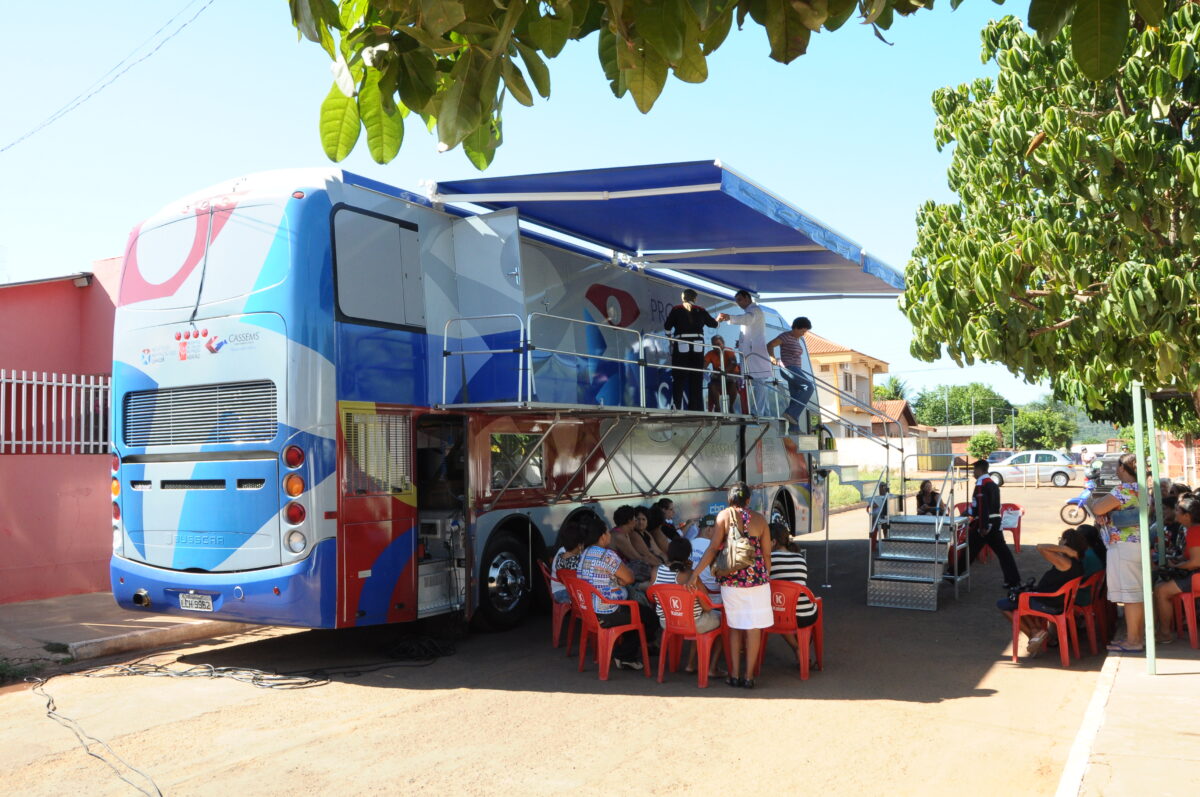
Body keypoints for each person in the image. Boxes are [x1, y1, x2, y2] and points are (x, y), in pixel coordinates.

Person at [690, 482, 772, 689]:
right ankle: (749, 676)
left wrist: (695, 574)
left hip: (731, 581)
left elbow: (711, 549)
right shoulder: (760, 520)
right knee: (753, 628)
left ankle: (734, 675)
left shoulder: (723, 517)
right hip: (757, 582)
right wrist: (765, 575)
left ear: (729, 499)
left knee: (735, 627)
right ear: (748, 500)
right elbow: (767, 554)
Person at [576, 522, 658, 671]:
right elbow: (629, 578)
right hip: (610, 611)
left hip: (590, 611)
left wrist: (618, 579)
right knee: (651, 618)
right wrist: (619, 580)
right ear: (602, 537)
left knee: (638, 612)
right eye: (607, 533)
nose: (609, 536)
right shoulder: (606, 555)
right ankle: (623, 654)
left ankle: (626, 654)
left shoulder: (584, 554)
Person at [997, 528, 1086, 657]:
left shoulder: (1065, 563)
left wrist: (1064, 549)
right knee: (1020, 598)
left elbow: (1040, 547)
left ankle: (1033, 635)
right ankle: (1038, 631)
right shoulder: (1077, 562)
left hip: (1049, 603)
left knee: (1004, 605)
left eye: (1061, 539)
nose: (1059, 542)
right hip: (1056, 601)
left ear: (1066, 542)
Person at [1091, 452, 1146, 652]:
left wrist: (1107, 513)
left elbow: (1097, 507)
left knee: (1131, 597)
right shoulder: (1143, 491)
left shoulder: (1122, 490)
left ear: (1122, 468)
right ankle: (1136, 637)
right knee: (1136, 594)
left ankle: (1133, 641)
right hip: (1138, 544)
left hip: (1123, 546)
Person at [653, 538, 725, 676]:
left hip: (667, 622)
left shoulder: (656, 571)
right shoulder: (691, 576)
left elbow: (654, 596)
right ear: (688, 555)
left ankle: (691, 664)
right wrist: (691, 570)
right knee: (722, 622)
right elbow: (708, 607)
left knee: (695, 616)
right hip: (694, 623)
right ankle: (712, 669)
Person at [964, 459, 1022, 588]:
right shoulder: (992, 483)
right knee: (1003, 554)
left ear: (980, 470)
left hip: (985, 523)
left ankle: (953, 574)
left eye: (974, 470)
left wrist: (983, 525)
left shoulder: (982, 484)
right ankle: (1013, 580)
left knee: (969, 550)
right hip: (995, 521)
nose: (973, 472)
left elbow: (981, 507)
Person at [767, 522, 819, 664]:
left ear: (773, 541)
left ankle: (797, 649)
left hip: (778, 615)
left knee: (780, 612)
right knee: (803, 614)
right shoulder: (800, 559)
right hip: (805, 615)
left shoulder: (768, 560)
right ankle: (802, 651)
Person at [1153, 494, 1200, 644]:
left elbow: (1195, 562)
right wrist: (1177, 560)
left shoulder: (1194, 531)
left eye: (1178, 511)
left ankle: (1165, 633)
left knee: (1162, 590)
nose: (1175, 513)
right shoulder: (1192, 530)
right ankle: (1163, 630)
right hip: (1195, 575)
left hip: (1197, 577)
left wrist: (1175, 566)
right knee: (1160, 585)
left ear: (1187, 515)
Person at [716, 290, 771, 416]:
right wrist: (740, 343)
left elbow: (748, 320)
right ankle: (764, 411)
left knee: (759, 382)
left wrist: (729, 317)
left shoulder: (754, 310)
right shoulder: (750, 311)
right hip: (750, 352)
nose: (739, 303)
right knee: (758, 383)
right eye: (737, 301)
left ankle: (758, 412)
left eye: (740, 300)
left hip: (755, 352)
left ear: (747, 298)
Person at [662, 288, 718, 411]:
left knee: (679, 377)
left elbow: (667, 327)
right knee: (696, 377)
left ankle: (676, 406)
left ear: (683, 298)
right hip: (698, 345)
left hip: (681, 344)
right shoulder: (701, 310)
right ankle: (696, 408)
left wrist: (670, 339)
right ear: (695, 298)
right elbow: (714, 324)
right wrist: (718, 319)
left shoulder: (676, 309)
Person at [766, 317, 814, 434]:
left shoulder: (797, 339)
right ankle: (791, 413)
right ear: (796, 328)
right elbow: (770, 345)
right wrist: (772, 357)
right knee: (809, 387)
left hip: (796, 369)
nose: (803, 334)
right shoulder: (785, 336)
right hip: (788, 368)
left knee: (796, 397)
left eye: (805, 331)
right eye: (802, 331)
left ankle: (794, 429)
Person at [606, 505, 659, 584]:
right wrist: (661, 567)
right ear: (629, 520)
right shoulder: (619, 536)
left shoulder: (621, 533)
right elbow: (637, 557)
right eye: (635, 518)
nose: (636, 521)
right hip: (616, 575)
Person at [704, 334, 743, 413]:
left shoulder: (728, 351)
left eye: (718, 344)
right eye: (714, 345)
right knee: (712, 386)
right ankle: (717, 408)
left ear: (723, 344)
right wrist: (703, 367)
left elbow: (733, 363)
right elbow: (704, 364)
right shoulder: (710, 353)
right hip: (718, 380)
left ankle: (731, 406)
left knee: (733, 384)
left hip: (730, 378)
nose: (716, 346)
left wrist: (724, 372)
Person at [549, 521, 585, 604]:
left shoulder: (561, 553)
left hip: (557, 590)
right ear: (579, 545)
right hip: (563, 592)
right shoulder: (577, 560)